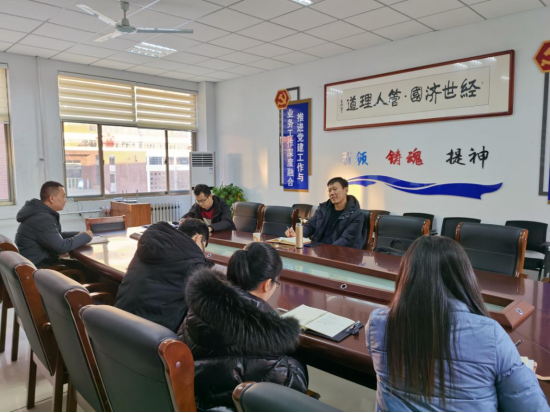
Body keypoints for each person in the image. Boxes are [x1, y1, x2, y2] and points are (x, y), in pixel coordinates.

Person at [366, 236, 549, 412]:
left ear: (406, 276)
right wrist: (523, 373)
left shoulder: (378, 323)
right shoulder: (491, 335)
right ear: (465, 277)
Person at [179, 242, 308, 411]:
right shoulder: (265, 335)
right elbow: (293, 386)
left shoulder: (200, 305)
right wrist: (297, 358)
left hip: (194, 398)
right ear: (267, 284)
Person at [115, 218, 213, 333]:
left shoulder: (150, 243)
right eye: (203, 247)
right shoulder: (193, 264)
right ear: (198, 238)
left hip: (117, 323)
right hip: (152, 337)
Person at [15, 181, 93, 268]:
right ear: (51, 198)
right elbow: (61, 247)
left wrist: (78, 234)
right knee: (89, 268)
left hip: (41, 264)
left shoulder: (39, 213)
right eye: (63, 196)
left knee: (82, 265)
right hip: (41, 269)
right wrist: (86, 236)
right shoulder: (42, 218)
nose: (65, 200)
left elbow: (55, 236)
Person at [285, 177, 364, 249]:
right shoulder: (323, 209)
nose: (331, 193)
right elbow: (310, 226)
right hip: (319, 250)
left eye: (335, 189)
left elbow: (347, 240)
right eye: (329, 190)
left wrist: (327, 250)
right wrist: (297, 235)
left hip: (343, 253)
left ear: (345, 190)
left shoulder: (356, 214)